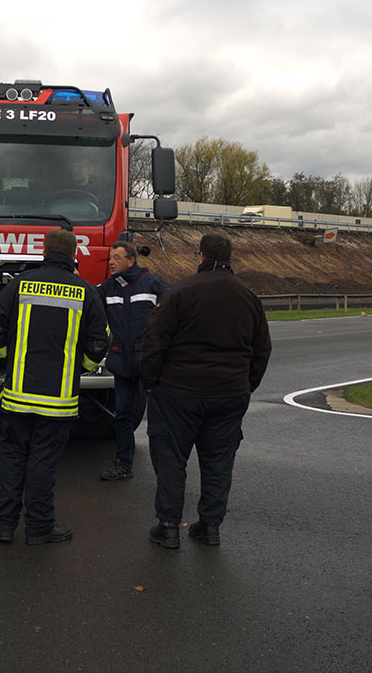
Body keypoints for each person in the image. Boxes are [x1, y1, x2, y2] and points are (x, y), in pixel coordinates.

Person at [138, 233, 271, 549]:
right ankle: (209, 525)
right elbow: (262, 348)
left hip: (178, 391)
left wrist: (151, 382)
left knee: (171, 459)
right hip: (229, 394)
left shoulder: (180, 292)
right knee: (218, 462)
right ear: (229, 258)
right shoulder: (248, 296)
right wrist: (245, 384)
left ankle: (169, 525)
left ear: (200, 256)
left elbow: (154, 341)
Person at [0, 228, 109, 545]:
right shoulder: (85, 292)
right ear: (74, 255)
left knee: (13, 459)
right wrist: (76, 371)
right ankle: (39, 529)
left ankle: (3, 526)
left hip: (16, 394)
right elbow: (100, 341)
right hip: (58, 399)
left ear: (44, 251)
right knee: (42, 463)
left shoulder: (19, 285)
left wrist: (9, 360)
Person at [96, 241, 168, 481]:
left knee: (160, 418)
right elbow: (87, 298)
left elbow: (175, 312)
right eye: (109, 258)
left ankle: (168, 468)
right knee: (123, 415)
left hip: (151, 363)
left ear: (131, 260)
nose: (112, 262)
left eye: (116, 257)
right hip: (122, 363)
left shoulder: (153, 284)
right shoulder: (107, 288)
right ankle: (123, 464)